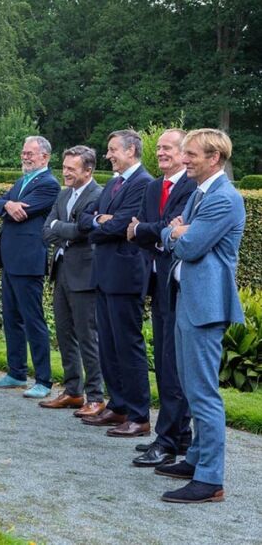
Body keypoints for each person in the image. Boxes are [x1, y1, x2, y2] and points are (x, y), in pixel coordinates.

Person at [158, 129, 244, 503]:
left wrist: (178, 231)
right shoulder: (200, 194)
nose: (184, 159)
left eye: (191, 154)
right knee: (191, 388)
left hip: (205, 307)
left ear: (214, 158)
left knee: (203, 393)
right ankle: (195, 459)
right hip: (188, 300)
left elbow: (188, 246)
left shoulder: (224, 199)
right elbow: (169, 232)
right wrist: (177, 230)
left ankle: (210, 480)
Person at [127, 129, 196, 467]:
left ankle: (168, 439)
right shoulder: (155, 186)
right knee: (166, 360)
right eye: (158, 148)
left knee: (172, 364)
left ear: (184, 152)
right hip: (158, 281)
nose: (161, 153)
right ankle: (178, 435)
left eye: (167, 147)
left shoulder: (193, 187)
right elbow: (144, 231)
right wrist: (154, 231)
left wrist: (149, 230)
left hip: (179, 283)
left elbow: (159, 228)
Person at [78, 129, 153, 437]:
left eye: (112, 150)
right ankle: (118, 406)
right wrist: (101, 222)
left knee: (127, 346)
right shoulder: (113, 183)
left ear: (131, 151)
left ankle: (139, 416)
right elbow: (86, 220)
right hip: (105, 273)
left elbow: (123, 224)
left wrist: (106, 222)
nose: (107, 155)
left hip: (126, 276)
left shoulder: (143, 184)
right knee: (108, 346)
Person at [0, 136, 60, 397]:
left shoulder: (50, 184)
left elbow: (25, 212)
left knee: (33, 320)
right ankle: (16, 372)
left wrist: (7, 205)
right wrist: (7, 204)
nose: (25, 157)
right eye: (23, 152)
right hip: (10, 260)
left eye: (30, 153)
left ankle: (43, 380)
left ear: (45, 157)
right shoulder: (22, 181)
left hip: (29, 262)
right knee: (11, 318)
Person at [39, 146, 104, 415]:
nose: (65, 173)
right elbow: (46, 231)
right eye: (64, 167)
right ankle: (73, 391)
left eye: (71, 169)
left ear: (88, 170)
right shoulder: (64, 194)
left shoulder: (97, 194)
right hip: (62, 269)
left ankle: (96, 396)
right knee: (64, 333)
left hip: (85, 274)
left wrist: (61, 229)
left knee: (88, 336)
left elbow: (83, 231)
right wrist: (65, 230)